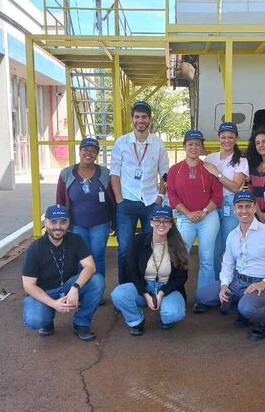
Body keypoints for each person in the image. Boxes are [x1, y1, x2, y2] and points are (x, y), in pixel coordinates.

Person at [194, 190, 265, 341]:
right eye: (240, 207)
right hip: (237, 281)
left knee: (247, 307)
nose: (244, 211)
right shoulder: (232, 235)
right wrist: (224, 285)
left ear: (255, 208)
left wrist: (264, 283)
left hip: (261, 284)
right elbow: (227, 264)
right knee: (201, 295)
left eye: (248, 206)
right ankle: (242, 306)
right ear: (234, 210)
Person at [21, 204, 105, 340]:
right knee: (34, 320)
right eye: (53, 222)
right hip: (45, 292)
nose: (58, 226)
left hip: (68, 287)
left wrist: (75, 287)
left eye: (63, 222)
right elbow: (28, 285)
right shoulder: (35, 248)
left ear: (68, 223)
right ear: (45, 222)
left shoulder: (76, 239)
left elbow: (90, 266)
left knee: (97, 281)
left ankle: (81, 322)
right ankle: (47, 321)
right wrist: (54, 304)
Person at [110, 100, 170, 284]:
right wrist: (119, 199)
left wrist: (159, 198)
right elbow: (114, 173)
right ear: (132, 119)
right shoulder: (121, 143)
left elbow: (165, 174)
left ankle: (145, 287)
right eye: (137, 117)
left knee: (149, 247)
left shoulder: (158, 144)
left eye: (144, 117)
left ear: (149, 119)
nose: (140, 120)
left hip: (150, 202)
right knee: (124, 249)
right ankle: (124, 287)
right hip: (126, 202)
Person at [110, 205, 189, 335]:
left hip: (167, 287)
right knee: (118, 294)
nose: (161, 224)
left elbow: (182, 277)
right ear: (151, 222)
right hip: (144, 285)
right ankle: (136, 320)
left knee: (174, 313)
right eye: (157, 220)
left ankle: (165, 316)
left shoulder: (178, 244)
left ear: (171, 224)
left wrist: (162, 293)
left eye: (166, 221)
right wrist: (145, 293)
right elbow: (131, 270)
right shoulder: (138, 240)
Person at [167, 129, 222, 291]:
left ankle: (204, 295)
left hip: (208, 217)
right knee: (180, 256)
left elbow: (217, 195)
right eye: (190, 144)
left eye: (197, 144)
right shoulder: (174, 170)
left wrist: (204, 211)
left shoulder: (209, 168)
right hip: (186, 217)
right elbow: (172, 196)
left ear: (202, 147)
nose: (194, 147)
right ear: (184, 146)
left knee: (207, 258)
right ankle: (175, 292)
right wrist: (188, 213)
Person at [55, 137, 114, 279]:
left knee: (97, 256)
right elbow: (60, 200)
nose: (89, 153)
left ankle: (98, 288)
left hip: (100, 224)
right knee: (81, 258)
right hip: (76, 225)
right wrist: (60, 223)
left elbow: (112, 200)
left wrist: (114, 223)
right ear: (79, 151)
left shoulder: (105, 173)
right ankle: (81, 288)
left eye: (93, 151)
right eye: (85, 150)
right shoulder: (66, 173)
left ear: (97, 154)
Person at [202, 122, 249, 284]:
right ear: (219, 138)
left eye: (230, 137)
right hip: (212, 204)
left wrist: (218, 174)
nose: (227, 140)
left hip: (230, 204)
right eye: (223, 137)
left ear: (236, 138)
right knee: (214, 247)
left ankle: (234, 284)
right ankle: (216, 283)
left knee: (231, 247)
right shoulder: (210, 158)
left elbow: (235, 187)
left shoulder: (241, 160)